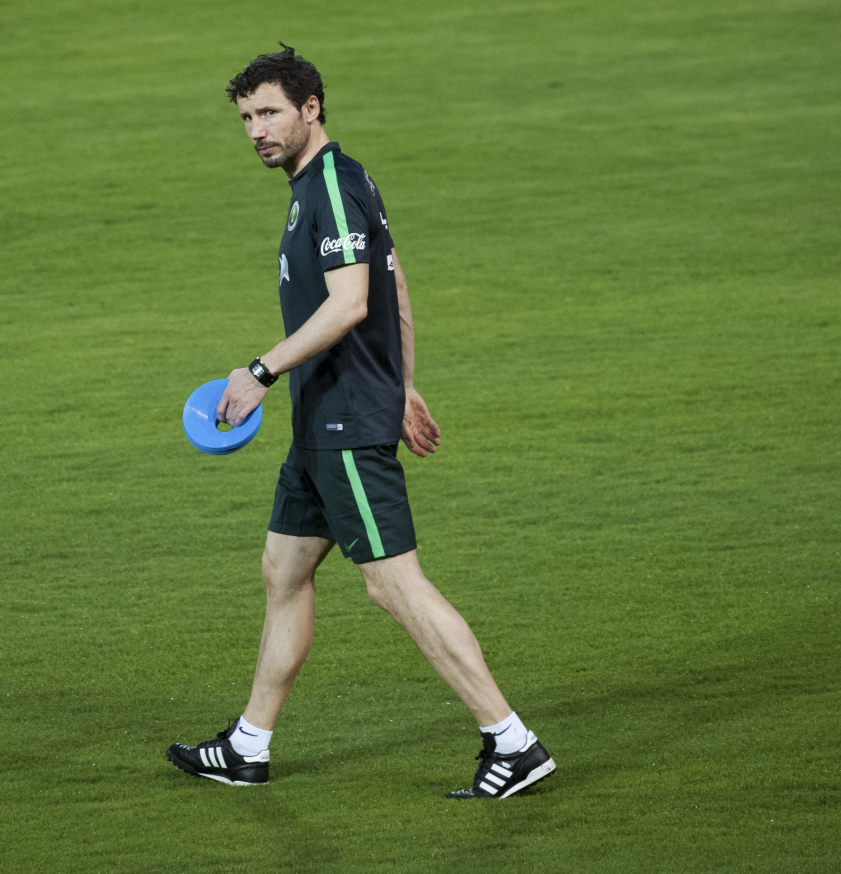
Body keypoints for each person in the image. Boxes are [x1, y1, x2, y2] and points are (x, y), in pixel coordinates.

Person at [165, 45, 555, 799]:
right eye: (246, 117)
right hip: (324, 421)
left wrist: (259, 372)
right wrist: (401, 383)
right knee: (284, 570)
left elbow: (351, 304)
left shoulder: (333, 188)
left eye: (270, 112)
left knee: (393, 584)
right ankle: (248, 745)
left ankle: (512, 741)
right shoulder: (329, 185)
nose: (256, 130)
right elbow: (394, 283)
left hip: (344, 424)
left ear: (311, 108)